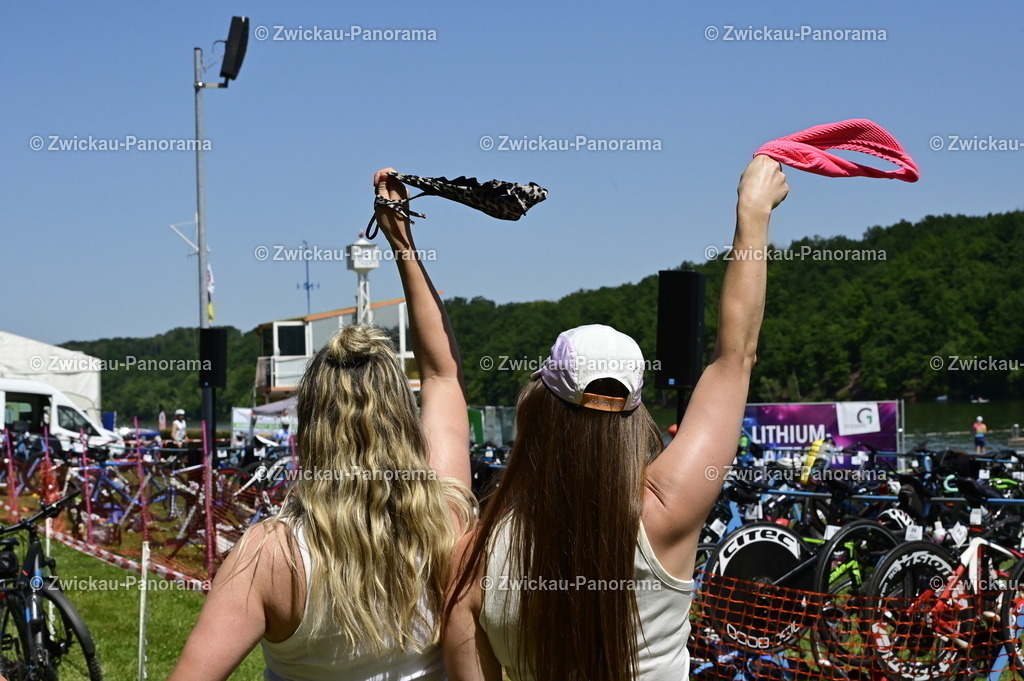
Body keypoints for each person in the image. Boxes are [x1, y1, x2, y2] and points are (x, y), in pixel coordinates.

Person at [443, 155, 788, 681]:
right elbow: (734, 358)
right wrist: (752, 215)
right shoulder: (666, 512)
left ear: (538, 414)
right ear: (635, 417)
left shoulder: (473, 555)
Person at [168, 169, 475, 681]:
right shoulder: (446, 516)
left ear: (309, 428)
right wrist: (400, 236)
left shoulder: (270, 553)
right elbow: (443, 373)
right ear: (402, 419)